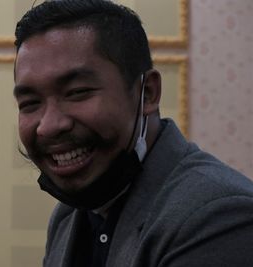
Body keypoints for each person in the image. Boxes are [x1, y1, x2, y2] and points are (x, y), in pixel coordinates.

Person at [13, 0, 253, 266]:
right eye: (30, 103)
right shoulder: (69, 216)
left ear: (147, 93)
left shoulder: (219, 216)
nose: (49, 126)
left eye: (77, 92)